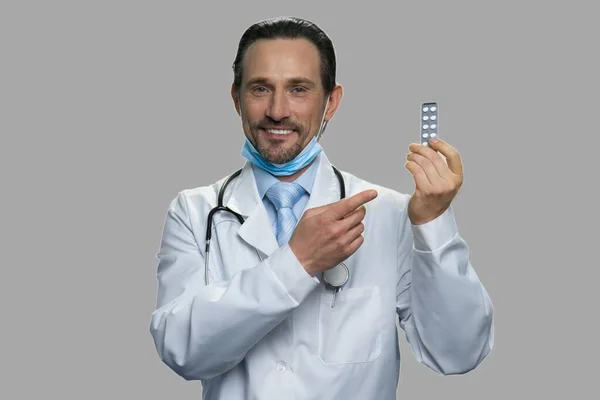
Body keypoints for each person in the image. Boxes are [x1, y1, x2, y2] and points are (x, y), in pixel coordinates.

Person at [149, 16, 494, 400]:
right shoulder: (195, 213)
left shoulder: (389, 215)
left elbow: (459, 352)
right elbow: (181, 351)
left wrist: (433, 223)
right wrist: (297, 262)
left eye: (299, 89)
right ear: (236, 98)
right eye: (261, 88)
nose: (278, 111)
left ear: (331, 101)